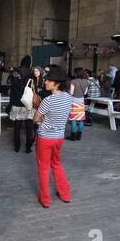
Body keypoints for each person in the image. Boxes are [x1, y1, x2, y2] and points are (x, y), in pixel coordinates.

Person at [33, 67, 73, 209]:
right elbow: (66, 116)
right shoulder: (69, 98)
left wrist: (41, 118)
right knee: (56, 164)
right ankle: (65, 194)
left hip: (45, 138)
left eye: (48, 80)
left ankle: (45, 199)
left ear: (56, 84)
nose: (45, 82)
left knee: (43, 168)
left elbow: (36, 118)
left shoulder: (48, 101)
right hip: (59, 137)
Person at [8, 59, 35, 154]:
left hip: (17, 105)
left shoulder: (15, 78)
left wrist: (10, 105)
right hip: (28, 106)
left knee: (17, 128)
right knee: (29, 128)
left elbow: (12, 94)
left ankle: (17, 147)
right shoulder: (31, 79)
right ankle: (28, 147)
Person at [67, 68, 89, 141]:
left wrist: (68, 90)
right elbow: (85, 93)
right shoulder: (86, 81)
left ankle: (73, 137)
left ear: (76, 73)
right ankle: (79, 136)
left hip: (74, 102)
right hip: (81, 102)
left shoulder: (73, 81)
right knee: (81, 119)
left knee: (74, 119)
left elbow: (71, 93)